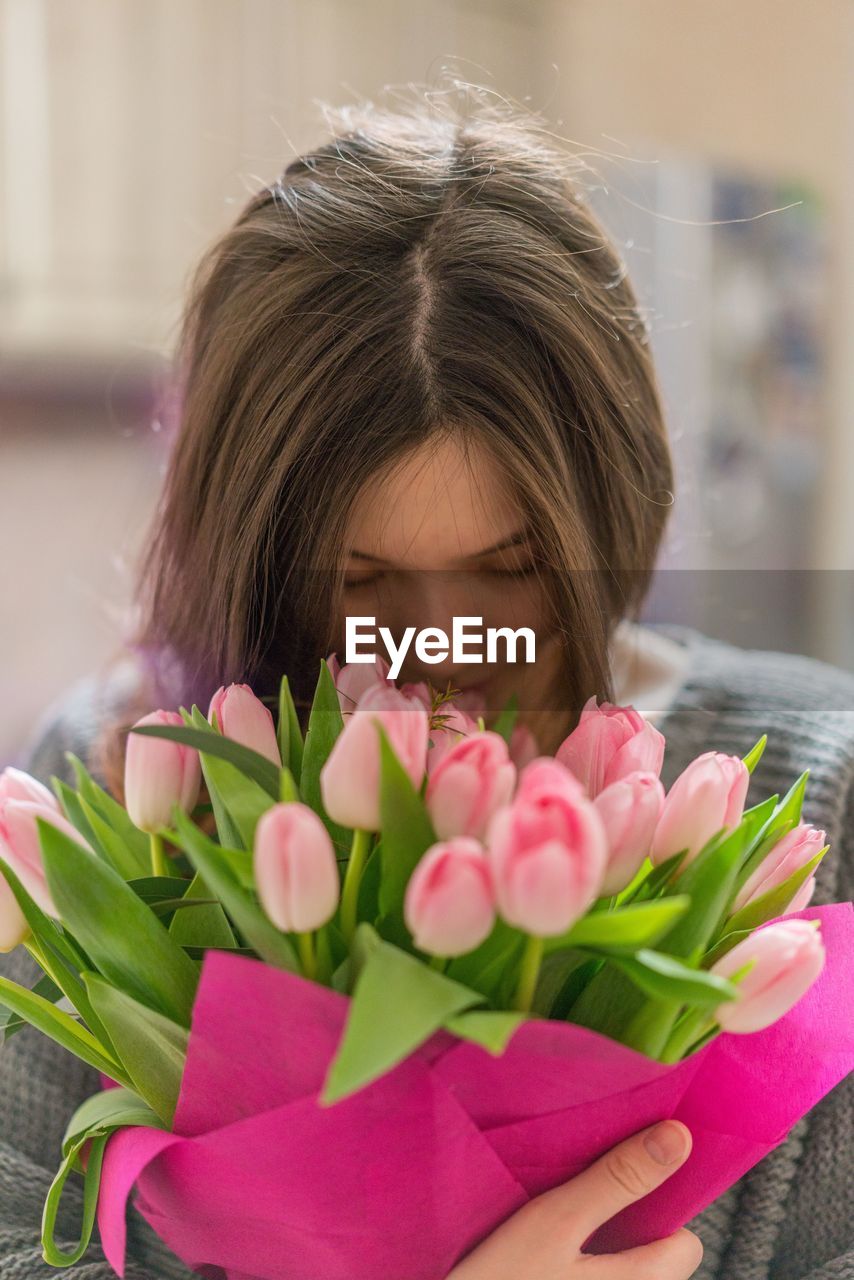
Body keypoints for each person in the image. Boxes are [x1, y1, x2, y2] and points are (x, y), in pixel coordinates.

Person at [5, 87, 853, 1280]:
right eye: (360, 583)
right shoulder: (114, 785)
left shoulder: (823, 796)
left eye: (511, 571)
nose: (445, 649)